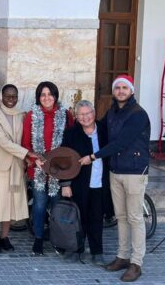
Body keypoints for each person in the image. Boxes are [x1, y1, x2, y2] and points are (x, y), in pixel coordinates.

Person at [86, 75, 150, 282]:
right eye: (117, 88)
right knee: (120, 217)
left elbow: (121, 142)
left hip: (134, 171)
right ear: (113, 91)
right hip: (115, 170)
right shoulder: (112, 111)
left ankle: (136, 262)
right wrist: (82, 119)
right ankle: (122, 256)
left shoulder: (138, 114)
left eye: (125, 88)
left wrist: (94, 156)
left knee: (134, 218)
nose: (121, 91)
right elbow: (98, 127)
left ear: (131, 91)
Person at [22, 81, 74, 255]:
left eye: (50, 94)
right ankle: (38, 238)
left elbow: (70, 143)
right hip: (38, 168)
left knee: (57, 204)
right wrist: (34, 159)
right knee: (39, 204)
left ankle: (57, 238)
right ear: (38, 97)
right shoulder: (31, 115)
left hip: (59, 169)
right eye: (43, 95)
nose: (46, 98)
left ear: (55, 96)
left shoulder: (65, 115)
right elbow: (25, 143)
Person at [0, 85, 38, 252]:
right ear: (2, 96)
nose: (11, 100)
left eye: (14, 96)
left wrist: (27, 157)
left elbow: (25, 138)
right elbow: (3, 142)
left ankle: (5, 237)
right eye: (7, 96)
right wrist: (27, 153)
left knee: (11, 202)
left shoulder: (21, 115)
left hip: (16, 165)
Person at [60, 100, 107, 266]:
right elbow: (63, 160)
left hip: (100, 183)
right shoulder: (71, 134)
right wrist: (65, 184)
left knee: (96, 219)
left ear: (94, 114)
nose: (85, 117)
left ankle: (97, 252)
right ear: (76, 117)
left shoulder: (104, 130)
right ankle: (75, 249)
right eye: (81, 114)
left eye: (88, 113)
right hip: (79, 184)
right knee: (77, 219)